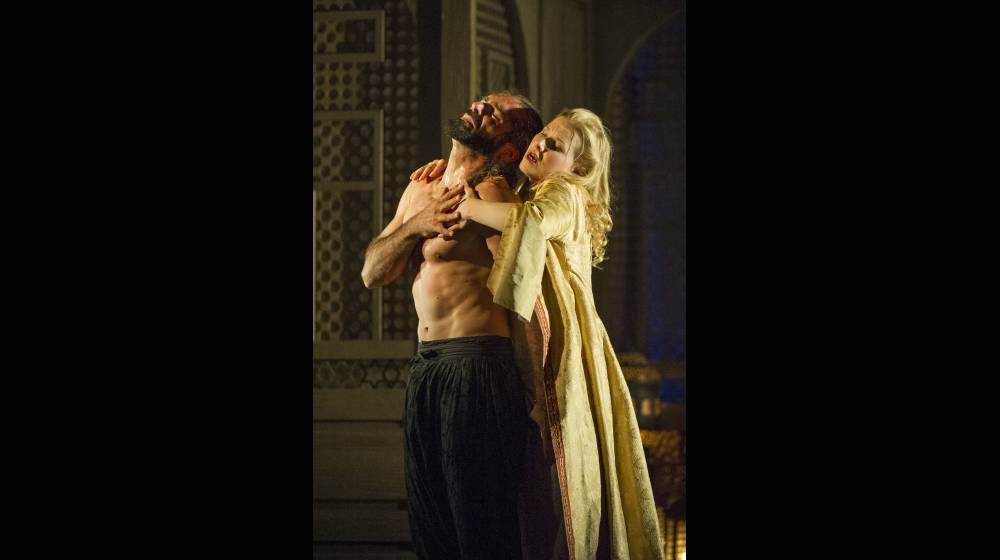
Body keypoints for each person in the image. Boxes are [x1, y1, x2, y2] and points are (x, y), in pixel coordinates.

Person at [447, 108, 665, 560]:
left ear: (578, 169)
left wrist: (465, 204)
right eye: (544, 135)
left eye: (556, 146)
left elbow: (528, 223)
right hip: (551, 351)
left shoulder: (565, 193)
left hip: (569, 355)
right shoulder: (536, 190)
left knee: (562, 481)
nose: (541, 145)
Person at [360, 91, 544, 559]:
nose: (481, 108)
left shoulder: (492, 194)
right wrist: (415, 224)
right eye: (484, 101)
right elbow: (373, 272)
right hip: (426, 368)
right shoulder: (421, 188)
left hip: (477, 366)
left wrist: (540, 395)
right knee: (431, 526)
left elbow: (527, 296)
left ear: (508, 150)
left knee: (478, 529)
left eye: (496, 114)